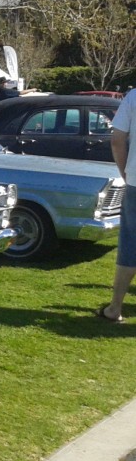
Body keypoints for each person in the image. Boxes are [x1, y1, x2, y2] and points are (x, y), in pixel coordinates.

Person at [99, 88, 136, 322]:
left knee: (131, 244)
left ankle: (115, 308)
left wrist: (125, 173)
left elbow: (117, 140)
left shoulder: (133, 97)